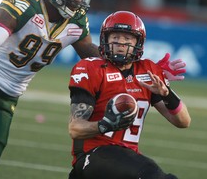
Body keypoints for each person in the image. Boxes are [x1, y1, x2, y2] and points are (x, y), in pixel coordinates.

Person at [0, 0, 186, 178]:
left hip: (11, 93)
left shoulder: (75, 21)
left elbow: (99, 55)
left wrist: (143, 65)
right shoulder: (26, 1)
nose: (79, 0)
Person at [67, 11, 191, 179]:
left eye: (127, 38)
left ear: (138, 42)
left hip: (126, 159)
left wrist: (167, 94)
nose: (121, 43)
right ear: (105, 39)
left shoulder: (148, 71)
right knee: (152, 175)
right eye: (115, 37)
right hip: (94, 155)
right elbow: (75, 129)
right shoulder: (91, 69)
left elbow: (183, 121)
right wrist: (105, 124)